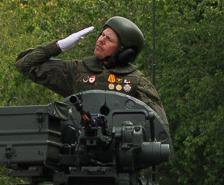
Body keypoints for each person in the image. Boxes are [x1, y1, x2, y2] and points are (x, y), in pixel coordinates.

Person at [14, 16, 168, 128]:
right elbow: (25, 64)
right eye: (101, 35)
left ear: (124, 53)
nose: (100, 40)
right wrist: (58, 46)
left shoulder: (136, 82)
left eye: (109, 39)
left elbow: (160, 126)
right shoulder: (77, 71)